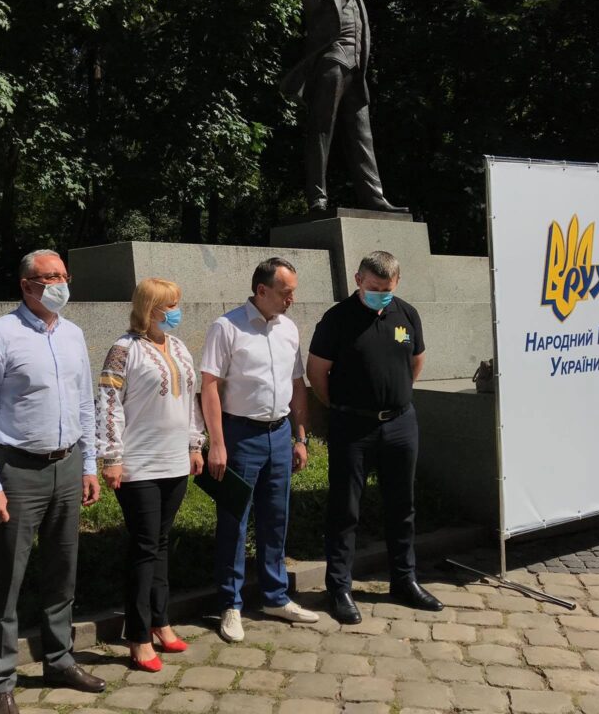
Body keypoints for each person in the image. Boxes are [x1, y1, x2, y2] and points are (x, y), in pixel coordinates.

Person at [0, 249, 105, 714]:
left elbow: (85, 402)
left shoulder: (74, 334)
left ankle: (59, 659)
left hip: (67, 464)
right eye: (49, 277)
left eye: (64, 275)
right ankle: (1, 679)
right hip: (17, 469)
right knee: (9, 577)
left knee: (63, 569)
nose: (60, 285)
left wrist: (89, 464)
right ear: (26, 286)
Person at [307, 251, 444, 625]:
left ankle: (404, 580)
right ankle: (339, 587)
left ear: (397, 283)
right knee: (345, 508)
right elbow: (317, 371)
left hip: (400, 424)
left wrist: (395, 396)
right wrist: (341, 406)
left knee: (402, 505)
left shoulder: (407, 314)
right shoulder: (337, 319)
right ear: (358, 280)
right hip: (353, 427)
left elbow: (416, 360)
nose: (380, 294)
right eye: (373, 287)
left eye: (387, 288)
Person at [200, 257, 320, 643]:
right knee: (234, 521)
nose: (291, 299)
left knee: (276, 517)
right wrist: (217, 443)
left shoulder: (289, 328)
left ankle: (275, 595)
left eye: (293, 292)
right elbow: (209, 386)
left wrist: (300, 436)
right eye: (286, 292)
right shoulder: (227, 327)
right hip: (240, 435)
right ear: (262, 290)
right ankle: (230, 603)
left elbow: (297, 384)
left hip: (279, 434)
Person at [95, 278, 206, 672]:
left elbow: (190, 401)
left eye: (177, 303)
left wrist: (195, 444)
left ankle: (161, 620)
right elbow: (109, 403)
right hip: (138, 463)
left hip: (175, 460)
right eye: (168, 305)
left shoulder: (178, 347)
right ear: (149, 308)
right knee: (144, 546)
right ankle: (138, 635)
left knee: (160, 543)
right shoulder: (124, 349)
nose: (175, 311)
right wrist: (111, 456)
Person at [282, 0, 408, 214]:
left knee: (363, 135)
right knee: (321, 130)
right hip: (332, 63)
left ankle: (374, 197)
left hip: (356, 71)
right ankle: (317, 198)